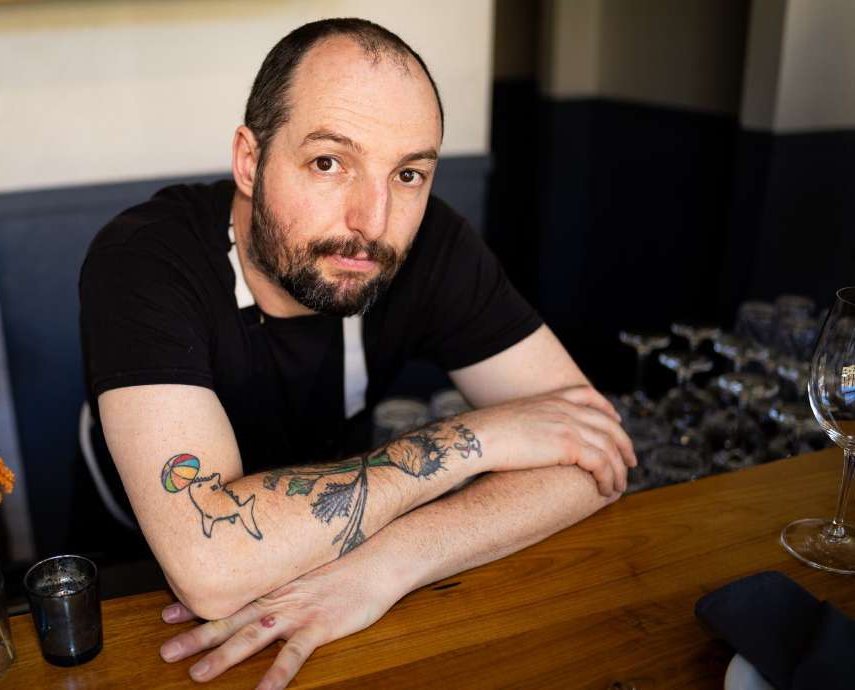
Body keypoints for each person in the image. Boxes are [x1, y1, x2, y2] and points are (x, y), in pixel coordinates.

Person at [79, 18, 636, 690]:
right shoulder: (144, 259)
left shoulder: (430, 244)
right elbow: (210, 570)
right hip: (145, 596)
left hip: (340, 580)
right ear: (250, 162)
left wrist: (390, 564)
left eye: (408, 173)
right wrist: (476, 436)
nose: (372, 222)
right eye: (328, 162)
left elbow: (596, 455)